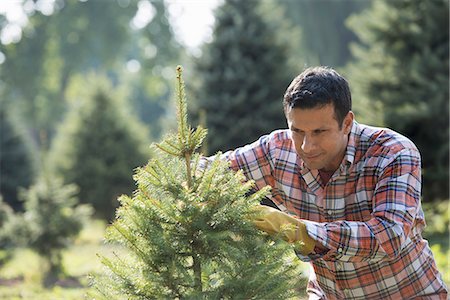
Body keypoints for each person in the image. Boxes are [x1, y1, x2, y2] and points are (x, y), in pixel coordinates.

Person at [208, 66, 448, 299]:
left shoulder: (393, 152)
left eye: (319, 132)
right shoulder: (276, 151)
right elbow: (207, 170)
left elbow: (389, 236)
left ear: (347, 123)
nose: (306, 146)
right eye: (298, 131)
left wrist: (302, 232)